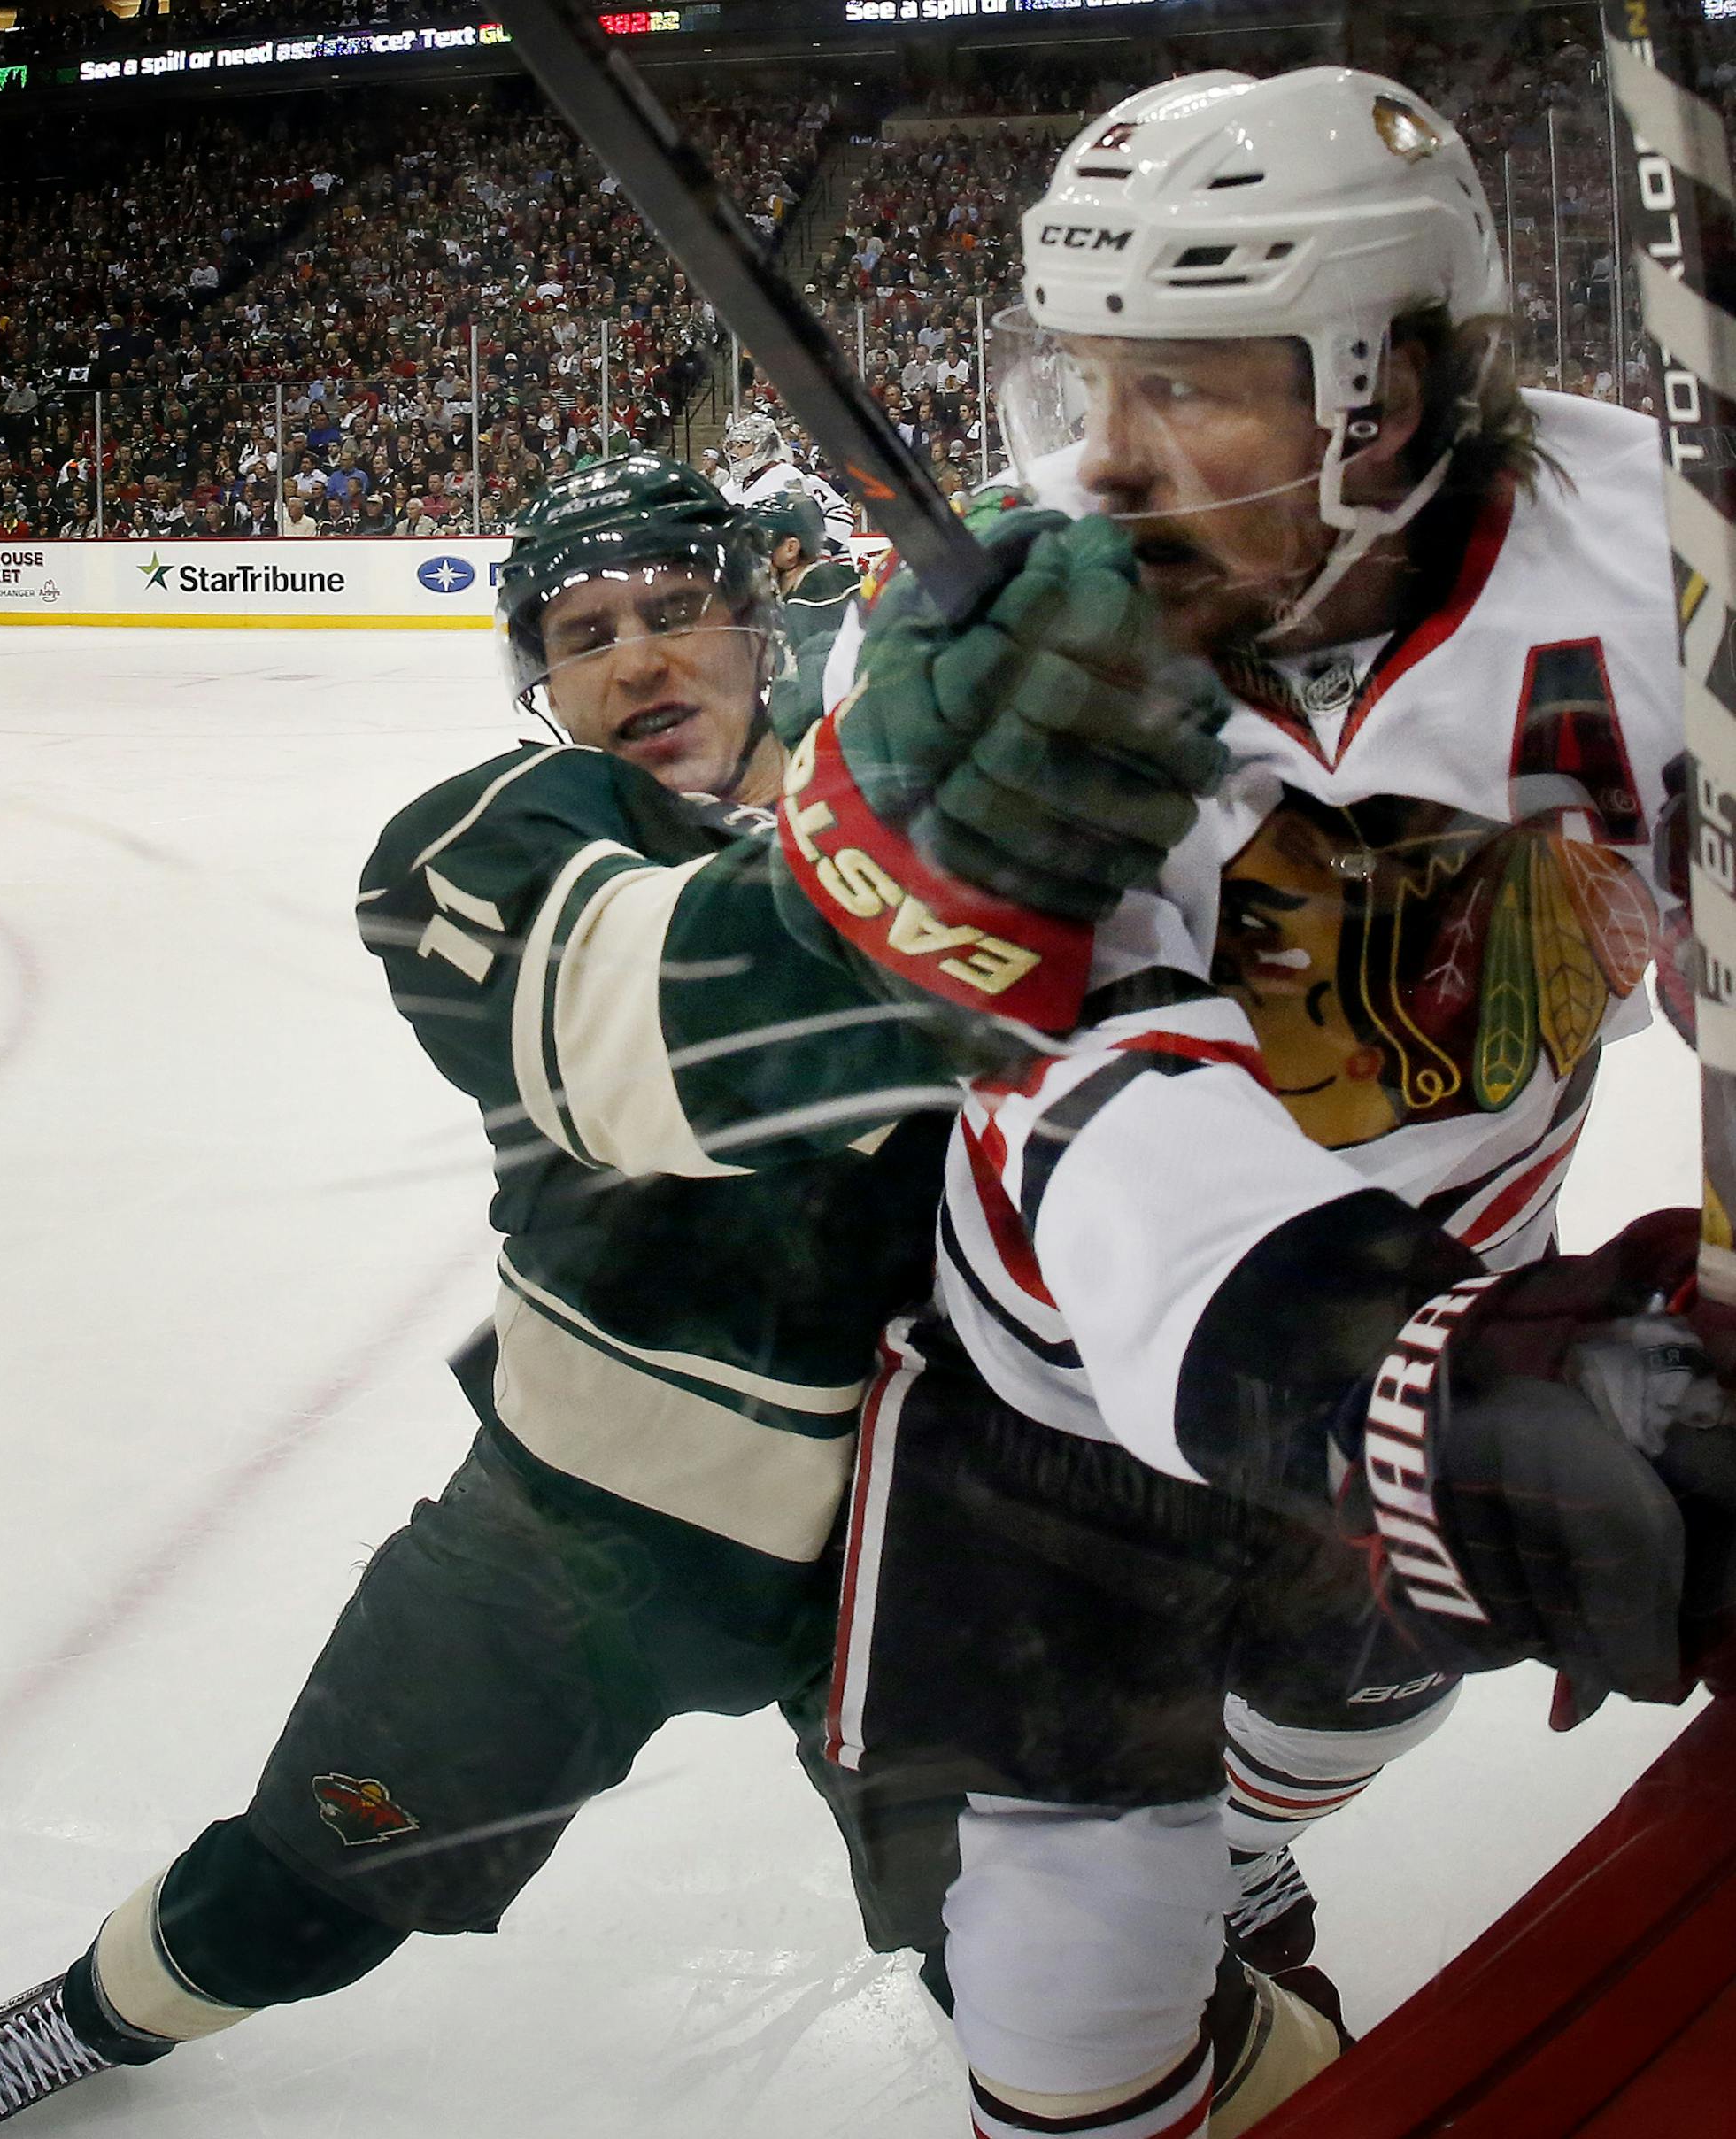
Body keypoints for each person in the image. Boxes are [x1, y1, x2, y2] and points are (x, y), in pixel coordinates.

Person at [0, 454, 1224, 2134]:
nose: (637, 663)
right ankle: (104, 2010)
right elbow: (730, 1031)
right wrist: (985, 800)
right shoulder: (482, 845)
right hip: (590, 1529)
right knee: (309, 1880)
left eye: (678, 612)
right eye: (584, 632)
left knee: (1062, 1966)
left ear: (761, 625)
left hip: (945, 1530)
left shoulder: (914, 789)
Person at [775, 66, 1722, 2139]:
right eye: (1075, 383)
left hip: (1470, 1319)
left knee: (1341, 1705)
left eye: (1187, 390)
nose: (1100, 464)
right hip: (1061, 1423)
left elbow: (1683, 935)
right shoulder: (977, 638)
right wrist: (1399, 1377)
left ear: (1385, 388)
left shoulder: (1653, 547)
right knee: (1057, 2036)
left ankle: (1242, 1845)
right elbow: (1052, 1077)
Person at [720, 409, 857, 560]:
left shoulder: (789, 478)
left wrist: (818, 549)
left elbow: (840, 513)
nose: (734, 453)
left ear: (763, 446)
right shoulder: (730, 486)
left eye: (741, 446)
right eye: (732, 446)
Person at [748, 489, 861, 656]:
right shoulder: (781, 598)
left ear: (791, 548)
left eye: (759, 543)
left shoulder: (822, 592)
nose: (752, 555)